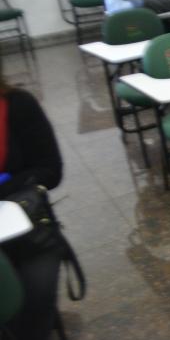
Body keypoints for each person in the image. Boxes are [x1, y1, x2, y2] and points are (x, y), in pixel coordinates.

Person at [0, 63, 64, 340]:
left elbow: (51, 170)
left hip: (28, 231)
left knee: (33, 305)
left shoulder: (17, 104)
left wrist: (7, 184)